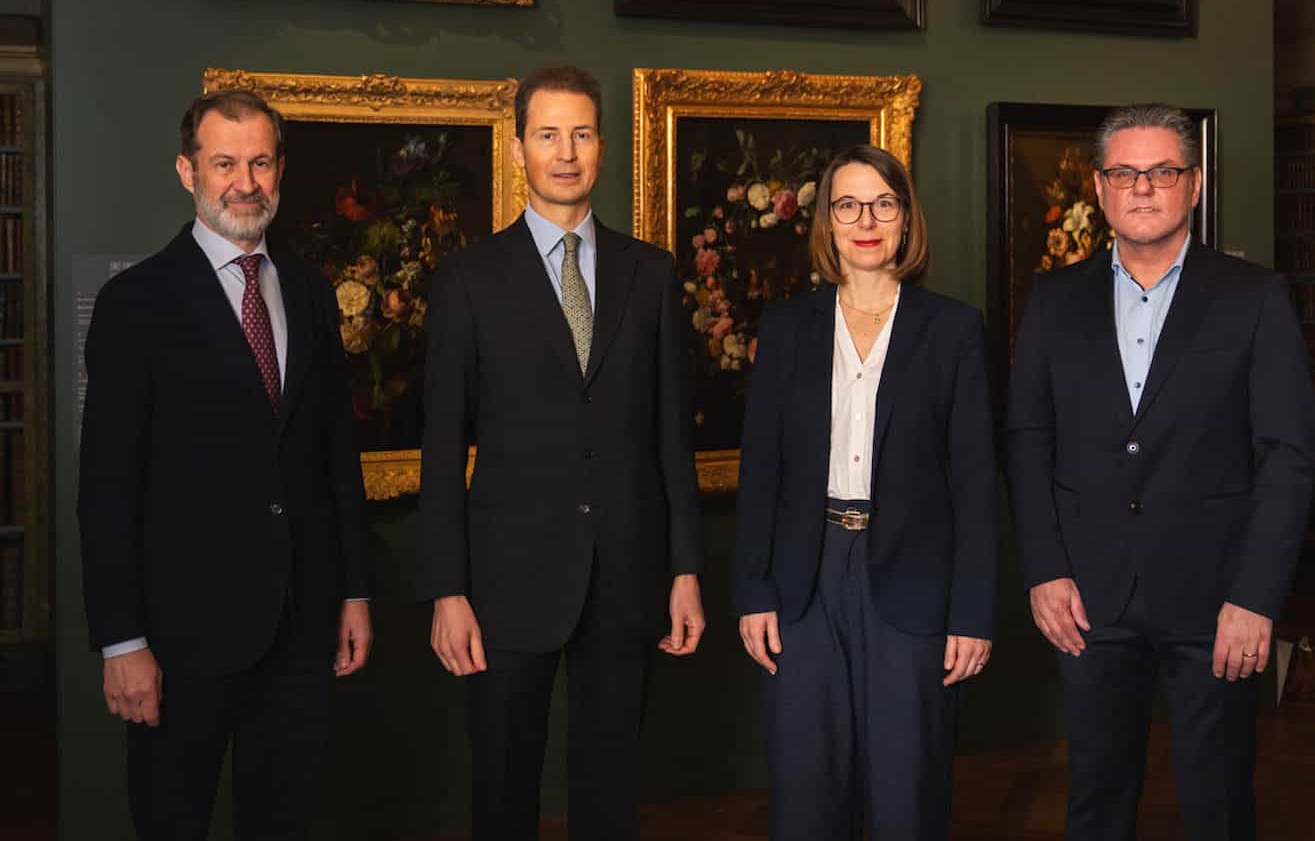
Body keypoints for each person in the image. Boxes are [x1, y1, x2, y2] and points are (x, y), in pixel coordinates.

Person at [1007, 103, 1315, 840]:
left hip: (1217, 602)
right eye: (1124, 172)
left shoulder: (1254, 298)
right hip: (1089, 595)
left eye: (1163, 171)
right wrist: (1045, 569)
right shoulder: (1054, 300)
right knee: (1095, 799)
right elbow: (1027, 438)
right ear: (1099, 186)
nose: (1142, 187)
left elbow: (1289, 456)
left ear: (1194, 184)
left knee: (1219, 804)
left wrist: (1255, 597)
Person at [417, 65, 705, 841]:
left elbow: (670, 437)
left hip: (628, 573)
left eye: (580, 134)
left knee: (611, 790)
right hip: (504, 582)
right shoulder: (469, 279)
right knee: (503, 789)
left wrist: (684, 568)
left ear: (602, 147)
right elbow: (441, 450)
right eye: (548, 135)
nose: (566, 152)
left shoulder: (651, 274)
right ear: (519, 149)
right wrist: (447, 589)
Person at [78, 89, 372, 839]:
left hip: (300, 627)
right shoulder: (134, 303)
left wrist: (353, 591)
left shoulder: (309, 292)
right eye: (224, 164)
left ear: (279, 169)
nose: (246, 182)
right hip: (179, 640)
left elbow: (335, 455)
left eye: (261, 163)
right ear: (188, 172)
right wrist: (122, 642)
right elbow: (106, 487)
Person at [734, 144, 999, 841]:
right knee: (806, 794)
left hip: (914, 583)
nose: (867, 221)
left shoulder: (953, 330)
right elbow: (762, 474)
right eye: (848, 205)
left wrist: (973, 612)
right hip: (805, 580)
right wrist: (754, 591)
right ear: (827, 221)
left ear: (907, 219)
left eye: (884, 204)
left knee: (906, 796)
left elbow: (975, 484)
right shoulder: (787, 329)